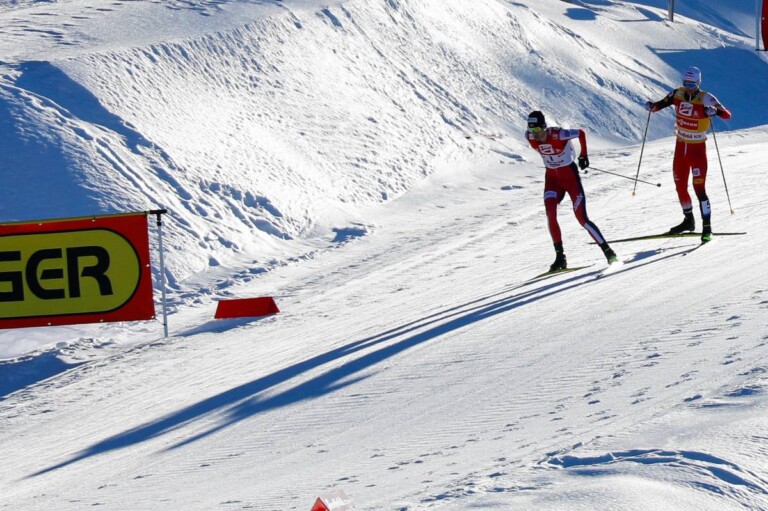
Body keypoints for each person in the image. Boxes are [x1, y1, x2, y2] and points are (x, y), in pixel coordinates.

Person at [644, 66, 732, 242]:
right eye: (686, 83)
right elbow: (660, 104)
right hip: (680, 147)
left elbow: (727, 115)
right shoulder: (677, 93)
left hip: (697, 149)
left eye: (692, 84)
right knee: (680, 187)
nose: (689, 87)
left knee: (699, 189)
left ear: (699, 83)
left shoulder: (706, 97)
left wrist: (714, 111)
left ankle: (707, 228)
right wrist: (652, 107)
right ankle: (688, 221)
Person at [525, 111, 618, 271]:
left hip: (570, 179)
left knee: (581, 218)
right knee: (550, 213)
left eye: (538, 131)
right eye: (532, 131)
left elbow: (581, 133)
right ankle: (560, 257)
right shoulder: (529, 136)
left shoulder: (558, 134)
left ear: (544, 128)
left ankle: (608, 252)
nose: (535, 135)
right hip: (552, 181)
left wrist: (583, 155)